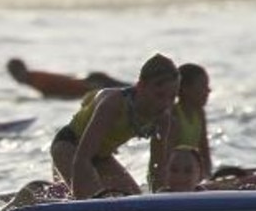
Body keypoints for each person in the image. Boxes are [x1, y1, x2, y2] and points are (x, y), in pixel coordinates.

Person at [49, 53, 180, 198]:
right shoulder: (113, 103)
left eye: (172, 97)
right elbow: (82, 159)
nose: (165, 104)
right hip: (70, 147)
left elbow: (157, 168)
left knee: (134, 199)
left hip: (101, 157)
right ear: (141, 86)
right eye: (159, 95)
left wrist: (158, 202)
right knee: (95, 199)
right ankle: (37, 197)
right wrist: (86, 201)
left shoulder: (162, 119)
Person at [6, 58, 128, 100]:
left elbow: (64, 89)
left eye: (15, 74)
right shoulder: (34, 78)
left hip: (94, 83)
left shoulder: (39, 81)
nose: (14, 78)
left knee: (132, 89)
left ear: (23, 69)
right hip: (90, 82)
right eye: (12, 75)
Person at [171, 63, 212, 178]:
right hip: (174, 176)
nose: (209, 90)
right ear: (185, 89)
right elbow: (165, 158)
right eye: (203, 86)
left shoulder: (200, 113)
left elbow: (205, 151)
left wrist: (208, 176)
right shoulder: (173, 116)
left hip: (191, 174)